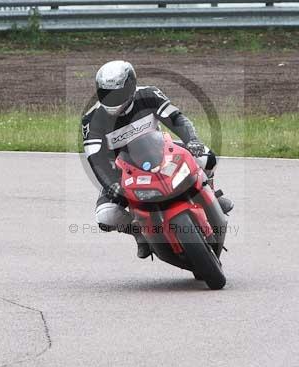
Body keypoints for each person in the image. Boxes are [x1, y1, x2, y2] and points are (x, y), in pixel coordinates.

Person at [81, 60, 233, 259]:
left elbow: (177, 119)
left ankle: (211, 192)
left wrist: (192, 140)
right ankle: (140, 235)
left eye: (117, 94)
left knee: (206, 157)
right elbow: (96, 159)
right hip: (122, 171)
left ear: (131, 86)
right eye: (106, 93)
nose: (112, 99)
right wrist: (111, 184)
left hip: (161, 152)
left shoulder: (149, 94)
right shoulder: (91, 119)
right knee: (106, 215)